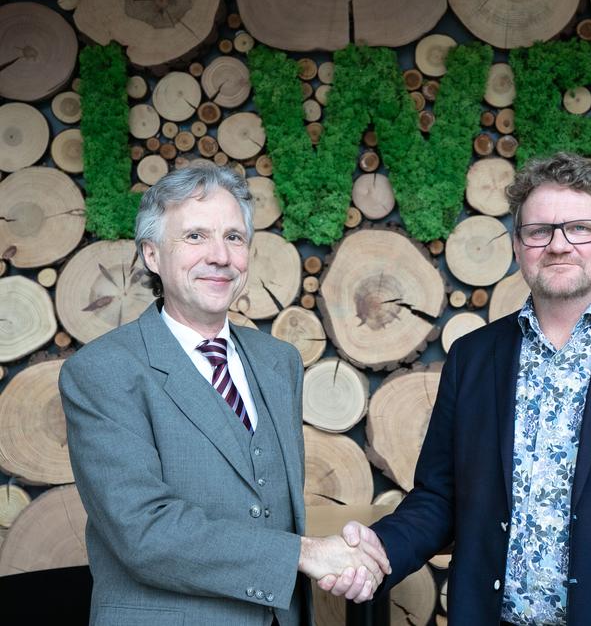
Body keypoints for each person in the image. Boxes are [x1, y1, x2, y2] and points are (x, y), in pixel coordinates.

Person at [322, 153, 591, 625]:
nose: (559, 245)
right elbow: (439, 498)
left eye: (581, 228)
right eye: (539, 231)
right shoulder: (473, 357)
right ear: (518, 244)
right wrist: (381, 547)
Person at [59, 164, 388, 625]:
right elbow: (144, 532)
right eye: (195, 236)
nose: (220, 256)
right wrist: (305, 553)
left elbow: (267, 501)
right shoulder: (102, 371)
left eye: (234, 237)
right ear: (152, 254)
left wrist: (350, 556)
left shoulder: (280, 362)